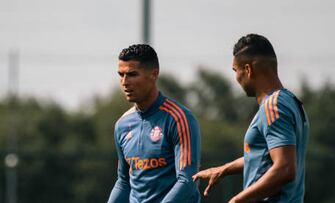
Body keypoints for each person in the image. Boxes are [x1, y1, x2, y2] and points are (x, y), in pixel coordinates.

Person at [193, 34, 309, 203]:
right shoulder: (290, 101)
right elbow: (263, 156)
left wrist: (237, 201)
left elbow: (285, 168)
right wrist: (223, 169)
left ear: (248, 70)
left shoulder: (274, 106)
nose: (236, 78)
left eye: (235, 70)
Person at [107, 44, 201, 203]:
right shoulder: (122, 125)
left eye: (132, 74)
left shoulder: (179, 118)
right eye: (121, 75)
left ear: (154, 74)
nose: (124, 82)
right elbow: (124, 182)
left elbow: (187, 180)